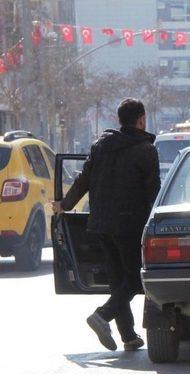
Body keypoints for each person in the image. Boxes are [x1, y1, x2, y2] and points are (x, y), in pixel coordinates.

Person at [52, 99, 160, 351]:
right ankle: (102, 315)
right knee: (135, 280)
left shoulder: (101, 145)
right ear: (141, 119)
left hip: (100, 224)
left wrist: (65, 205)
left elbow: (83, 179)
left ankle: (128, 337)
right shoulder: (146, 150)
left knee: (117, 281)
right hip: (130, 225)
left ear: (120, 120)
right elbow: (153, 192)